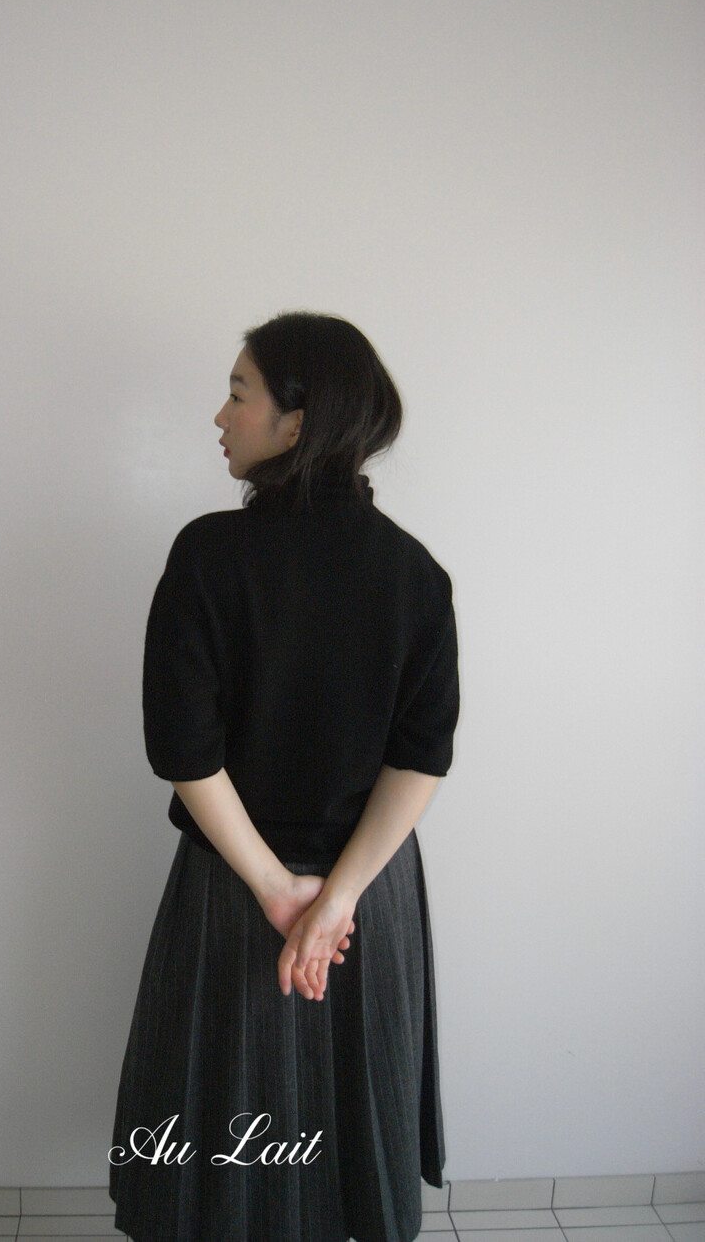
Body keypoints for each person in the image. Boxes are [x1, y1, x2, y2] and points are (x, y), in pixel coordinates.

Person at [109, 312, 460, 1242]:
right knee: (354, 1150)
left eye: (238, 392)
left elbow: (184, 751)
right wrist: (335, 900)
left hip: (233, 895)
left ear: (296, 422)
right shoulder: (417, 574)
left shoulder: (208, 554)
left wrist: (276, 890)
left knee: (221, 1159)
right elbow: (420, 758)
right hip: (367, 910)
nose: (220, 416)